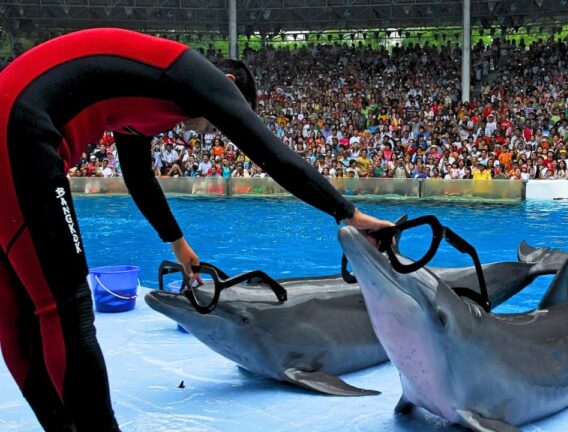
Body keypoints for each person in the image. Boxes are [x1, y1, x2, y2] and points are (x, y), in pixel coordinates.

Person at [0, 28, 392, 432]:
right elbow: (274, 157)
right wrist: (348, 213)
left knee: (17, 313)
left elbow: (138, 177)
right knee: (65, 310)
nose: (214, 130)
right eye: (225, 116)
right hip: (21, 128)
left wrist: (178, 244)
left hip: (12, 118)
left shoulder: (143, 97)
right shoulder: (197, 76)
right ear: (228, 86)